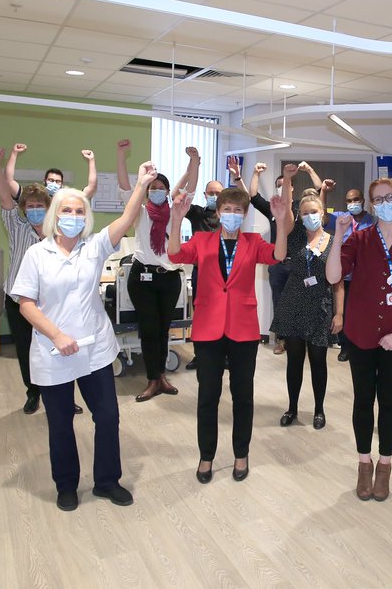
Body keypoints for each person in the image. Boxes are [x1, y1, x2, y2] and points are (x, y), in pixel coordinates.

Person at [11, 161, 156, 512]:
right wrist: (57, 335)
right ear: (54, 216)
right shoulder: (36, 254)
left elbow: (125, 220)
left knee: (107, 416)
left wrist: (141, 184)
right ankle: (66, 485)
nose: (73, 215)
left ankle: (107, 481)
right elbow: (26, 305)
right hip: (53, 350)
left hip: (94, 349)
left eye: (79, 210)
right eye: (66, 210)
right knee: (60, 423)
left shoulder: (94, 247)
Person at [168, 185, 290, 484]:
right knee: (208, 396)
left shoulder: (253, 241)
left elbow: (278, 255)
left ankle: (240, 453)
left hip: (243, 329)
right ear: (218, 213)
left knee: (242, 396)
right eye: (227, 210)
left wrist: (281, 221)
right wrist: (176, 220)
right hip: (208, 328)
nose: (232, 215)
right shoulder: (202, 240)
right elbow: (174, 255)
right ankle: (206, 455)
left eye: (238, 210)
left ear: (245, 214)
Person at [327, 178, 392, 503]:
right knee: (362, 400)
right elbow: (333, 276)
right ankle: (363, 463)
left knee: (388, 402)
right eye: (378, 199)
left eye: (389, 197)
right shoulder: (359, 239)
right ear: (372, 205)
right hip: (361, 334)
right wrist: (338, 236)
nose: (384, 203)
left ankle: (384, 466)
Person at [115, 139, 200, 402]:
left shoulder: (176, 210)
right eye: (153, 188)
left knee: (164, 330)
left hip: (170, 278)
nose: (158, 191)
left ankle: (161, 376)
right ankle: (152, 379)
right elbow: (125, 186)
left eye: (162, 188)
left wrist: (194, 162)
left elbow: (192, 186)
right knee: (149, 329)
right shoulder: (139, 211)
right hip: (142, 278)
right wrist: (121, 156)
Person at [232, 159, 335, 356]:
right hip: (278, 263)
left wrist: (309, 170)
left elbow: (319, 190)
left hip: (301, 263)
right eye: (278, 186)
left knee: (307, 300)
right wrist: (255, 173)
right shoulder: (273, 209)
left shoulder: (301, 208)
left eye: (284, 185)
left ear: (292, 188)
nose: (281, 188)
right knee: (280, 302)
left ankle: (306, 338)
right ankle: (282, 340)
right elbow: (252, 196)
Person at [271, 164, 344, 430]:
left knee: (318, 363)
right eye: (305, 213)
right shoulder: (295, 235)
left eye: (314, 212)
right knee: (293, 363)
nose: (309, 216)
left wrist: (339, 314)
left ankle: (319, 409)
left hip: (319, 308)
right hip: (293, 304)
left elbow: (338, 284)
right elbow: (286, 207)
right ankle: (291, 408)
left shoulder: (333, 239)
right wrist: (288, 179)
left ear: (322, 213)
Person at [0, 146, 52, 414]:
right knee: (26, 350)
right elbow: (5, 194)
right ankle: (32, 392)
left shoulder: (58, 232)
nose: (35, 210)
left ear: (48, 208)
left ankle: (60, 396)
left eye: (40, 206)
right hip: (18, 300)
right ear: (24, 209)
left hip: (49, 303)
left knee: (53, 349)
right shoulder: (17, 225)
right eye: (31, 206)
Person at [181, 148, 222, 370]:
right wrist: (193, 165)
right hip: (202, 273)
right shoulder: (196, 212)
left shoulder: (230, 216)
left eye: (218, 193)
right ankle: (200, 355)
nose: (214, 197)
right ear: (205, 195)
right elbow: (177, 194)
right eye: (211, 193)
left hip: (225, 275)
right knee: (201, 315)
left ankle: (223, 356)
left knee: (224, 314)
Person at [335, 186, 375, 362]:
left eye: (356, 200)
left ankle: (360, 345)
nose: (353, 204)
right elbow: (322, 215)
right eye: (349, 201)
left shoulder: (372, 221)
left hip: (364, 278)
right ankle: (344, 347)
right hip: (344, 276)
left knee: (361, 313)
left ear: (363, 201)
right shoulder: (342, 219)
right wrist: (324, 192)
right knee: (341, 312)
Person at [4, 142, 98, 201]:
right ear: (44, 181)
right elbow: (9, 181)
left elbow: (91, 188)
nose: (54, 183)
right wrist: (14, 153)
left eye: (57, 181)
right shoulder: (32, 198)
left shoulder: (67, 200)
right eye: (51, 180)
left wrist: (91, 160)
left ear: (62, 184)